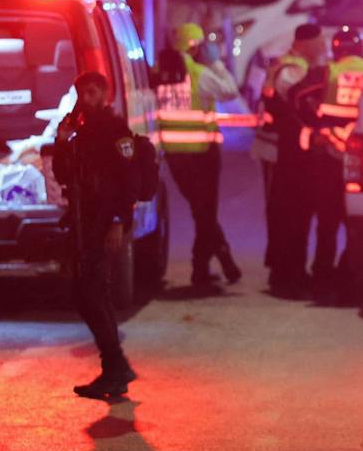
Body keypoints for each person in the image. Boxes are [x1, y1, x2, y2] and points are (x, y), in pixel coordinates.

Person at [44, 71, 139, 400]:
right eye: (84, 91)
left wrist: (117, 221)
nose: (89, 96)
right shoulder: (80, 132)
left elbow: (126, 181)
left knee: (92, 293)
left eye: (95, 90)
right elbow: (62, 174)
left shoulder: (116, 130)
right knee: (88, 294)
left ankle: (116, 367)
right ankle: (114, 368)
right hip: (83, 222)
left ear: (106, 94)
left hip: (103, 222)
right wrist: (61, 140)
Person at [155, 23, 242, 288]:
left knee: (200, 211)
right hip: (203, 155)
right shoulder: (199, 73)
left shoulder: (159, 73)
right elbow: (230, 91)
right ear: (195, 46)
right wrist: (216, 64)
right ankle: (215, 261)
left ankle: (205, 267)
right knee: (205, 212)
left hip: (175, 155)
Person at [293, 26, 363, 287]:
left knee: (327, 219)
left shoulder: (326, 71)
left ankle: (322, 273)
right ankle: (349, 272)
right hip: (361, 157)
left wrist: (316, 123)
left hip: (328, 154)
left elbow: (298, 96)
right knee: (357, 219)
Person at [260, 23, 327, 295]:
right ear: (306, 43)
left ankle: (286, 270)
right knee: (288, 214)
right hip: (282, 153)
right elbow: (300, 106)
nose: (322, 50)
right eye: (319, 44)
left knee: (288, 213)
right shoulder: (292, 70)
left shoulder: (288, 65)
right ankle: (287, 274)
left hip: (285, 151)